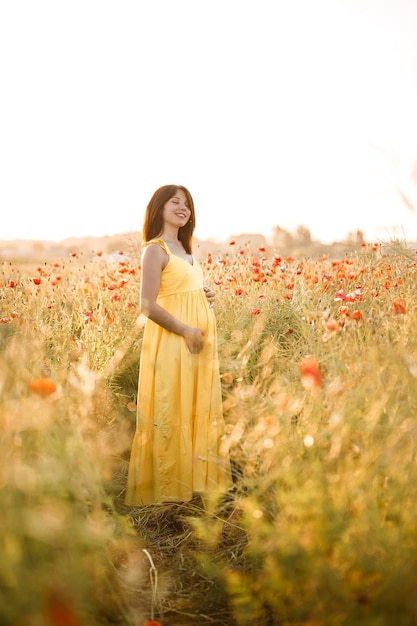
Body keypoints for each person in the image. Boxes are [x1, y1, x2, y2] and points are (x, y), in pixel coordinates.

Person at [125, 184, 232, 506]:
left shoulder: (186, 252)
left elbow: (182, 290)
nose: (183, 207)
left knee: (195, 407)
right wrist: (186, 329)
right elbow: (147, 305)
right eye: (175, 201)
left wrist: (205, 294)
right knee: (172, 406)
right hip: (174, 341)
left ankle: (195, 482)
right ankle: (168, 489)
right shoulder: (155, 249)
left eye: (187, 203)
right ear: (159, 208)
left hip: (197, 342)